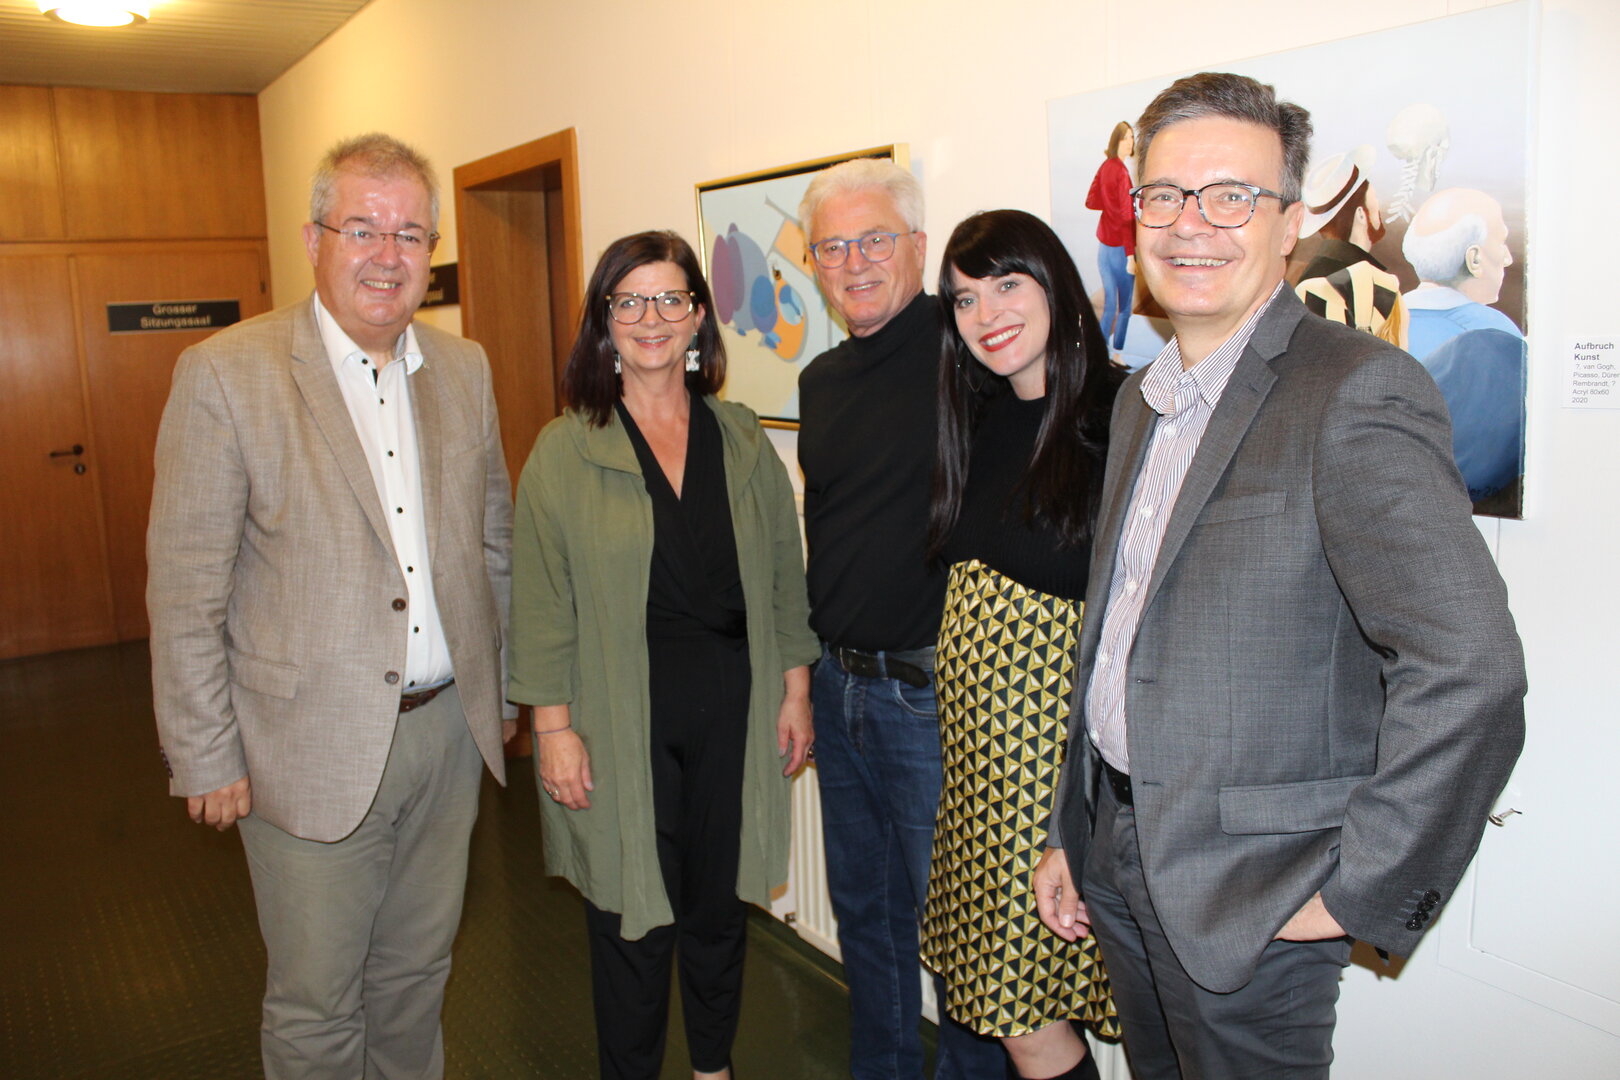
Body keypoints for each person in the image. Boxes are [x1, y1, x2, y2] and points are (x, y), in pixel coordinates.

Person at [1033, 72, 1526, 1079]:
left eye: (1233, 196)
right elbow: (1118, 633)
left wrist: (1357, 890)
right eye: (1166, 195)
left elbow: (1472, 667)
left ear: (1291, 220)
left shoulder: (1354, 391)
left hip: (1252, 894)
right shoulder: (1142, 400)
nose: (1192, 224)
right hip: (1120, 851)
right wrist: (1070, 830)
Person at [147, 132, 514, 1079]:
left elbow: (491, 547)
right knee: (318, 1003)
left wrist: (501, 694)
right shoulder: (229, 374)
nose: (388, 255)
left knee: (416, 977)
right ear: (314, 237)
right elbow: (186, 588)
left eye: (409, 234)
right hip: (302, 746)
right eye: (363, 228)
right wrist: (205, 751)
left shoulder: (464, 369)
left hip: (445, 738)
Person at [507, 230, 818, 1080]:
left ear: (698, 319)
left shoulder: (742, 436)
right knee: (631, 914)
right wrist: (554, 729)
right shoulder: (565, 449)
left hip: (735, 704)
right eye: (630, 300)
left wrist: (795, 691)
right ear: (604, 323)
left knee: (718, 909)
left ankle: (713, 1067)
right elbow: (540, 603)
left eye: (671, 298)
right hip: (617, 708)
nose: (652, 318)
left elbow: (784, 576)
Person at [797, 158, 1007, 1080]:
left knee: (966, 944)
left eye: (875, 239)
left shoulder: (972, 357)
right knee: (868, 920)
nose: (855, 262)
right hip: (839, 689)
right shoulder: (821, 380)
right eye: (833, 246)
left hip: (933, 702)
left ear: (919, 246)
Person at [920, 209, 1124, 1080]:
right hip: (978, 772)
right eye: (965, 298)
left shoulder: (1125, 413)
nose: (986, 313)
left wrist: (1077, 814)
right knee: (1012, 1007)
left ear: (1055, 287)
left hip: (1051, 774)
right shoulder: (980, 413)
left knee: (1026, 1016)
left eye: (1007, 283)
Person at [1400, 187, 1526, 503]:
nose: (1508, 256)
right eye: (1501, 241)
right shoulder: (1496, 335)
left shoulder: (1379, 320)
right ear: (1474, 259)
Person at [1292, 145, 1407, 345]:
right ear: (1361, 215)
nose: (1379, 209)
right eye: (1375, 201)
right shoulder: (1333, 281)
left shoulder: (1319, 271)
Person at [1086, 121, 1137, 353]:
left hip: (1103, 248)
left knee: (1108, 305)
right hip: (1119, 249)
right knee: (1124, 307)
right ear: (1116, 141)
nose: (1131, 142)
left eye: (1132, 137)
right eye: (1126, 137)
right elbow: (1127, 218)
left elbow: (1091, 201)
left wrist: (1109, 207)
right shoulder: (1123, 174)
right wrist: (1130, 255)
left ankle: (1101, 353)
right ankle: (1118, 354)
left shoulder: (1105, 167)